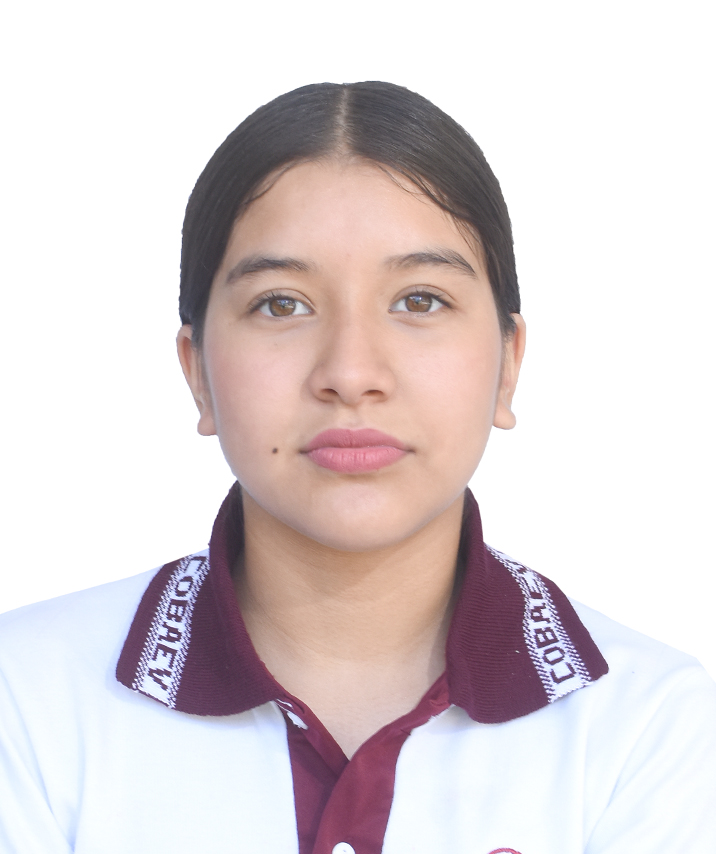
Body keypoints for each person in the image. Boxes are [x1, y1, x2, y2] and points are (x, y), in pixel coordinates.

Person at [0, 82, 714, 854]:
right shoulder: (25, 700)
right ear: (197, 371)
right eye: (281, 304)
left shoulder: (656, 731)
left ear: (508, 364)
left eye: (420, 300)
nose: (350, 372)